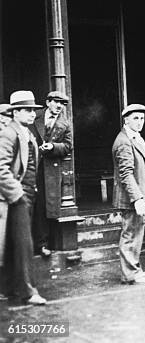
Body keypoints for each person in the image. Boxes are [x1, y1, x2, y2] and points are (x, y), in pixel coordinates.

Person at [0, 91, 46, 304]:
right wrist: (17, 195)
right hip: (17, 197)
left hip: (27, 194)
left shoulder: (26, 133)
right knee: (24, 244)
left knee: (14, 244)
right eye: (27, 110)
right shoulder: (9, 133)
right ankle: (29, 291)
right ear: (15, 112)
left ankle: (9, 288)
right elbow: (1, 168)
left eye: (33, 110)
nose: (32, 114)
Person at [112, 103, 145, 285]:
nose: (140, 122)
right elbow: (126, 173)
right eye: (135, 118)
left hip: (138, 195)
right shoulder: (124, 141)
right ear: (126, 119)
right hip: (131, 197)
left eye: (142, 118)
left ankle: (134, 270)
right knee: (130, 234)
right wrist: (137, 198)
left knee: (135, 233)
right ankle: (130, 273)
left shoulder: (135, 138)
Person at [30, 90, 72, 256]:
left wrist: (53, 147)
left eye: (62, 104)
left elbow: (68, 146)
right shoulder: (34, 116)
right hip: (31, 166)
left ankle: (44, 244)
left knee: (46, 206)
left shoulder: (65, 123)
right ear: (48, 102)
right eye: (56, 102)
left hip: (50, 170)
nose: (59, 106)